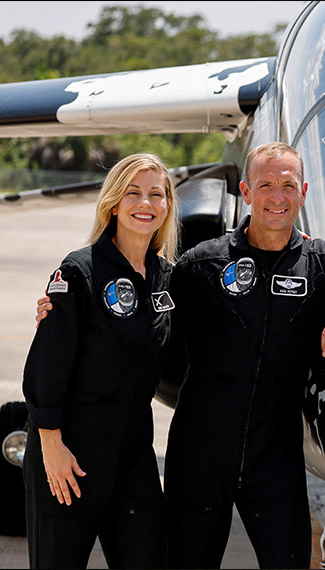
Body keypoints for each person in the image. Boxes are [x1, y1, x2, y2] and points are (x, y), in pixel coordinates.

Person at [160, 141, 325, 568]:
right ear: (246, 193)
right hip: (198, 454)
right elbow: (148, 323)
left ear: (303, 192)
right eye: (265, 185)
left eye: (288, 186)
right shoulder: (203, 264)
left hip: (275, 458)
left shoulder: (324, 263)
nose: (277, 197)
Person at [22, 153, 179, 568]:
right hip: (71, 449)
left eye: (155, 194)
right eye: (134, 193)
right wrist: (51, 446)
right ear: (113, 202)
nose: (145, 203)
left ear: (166, 206)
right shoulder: (80, 271)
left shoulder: (166, 278)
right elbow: (46, 368)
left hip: (133, 450)